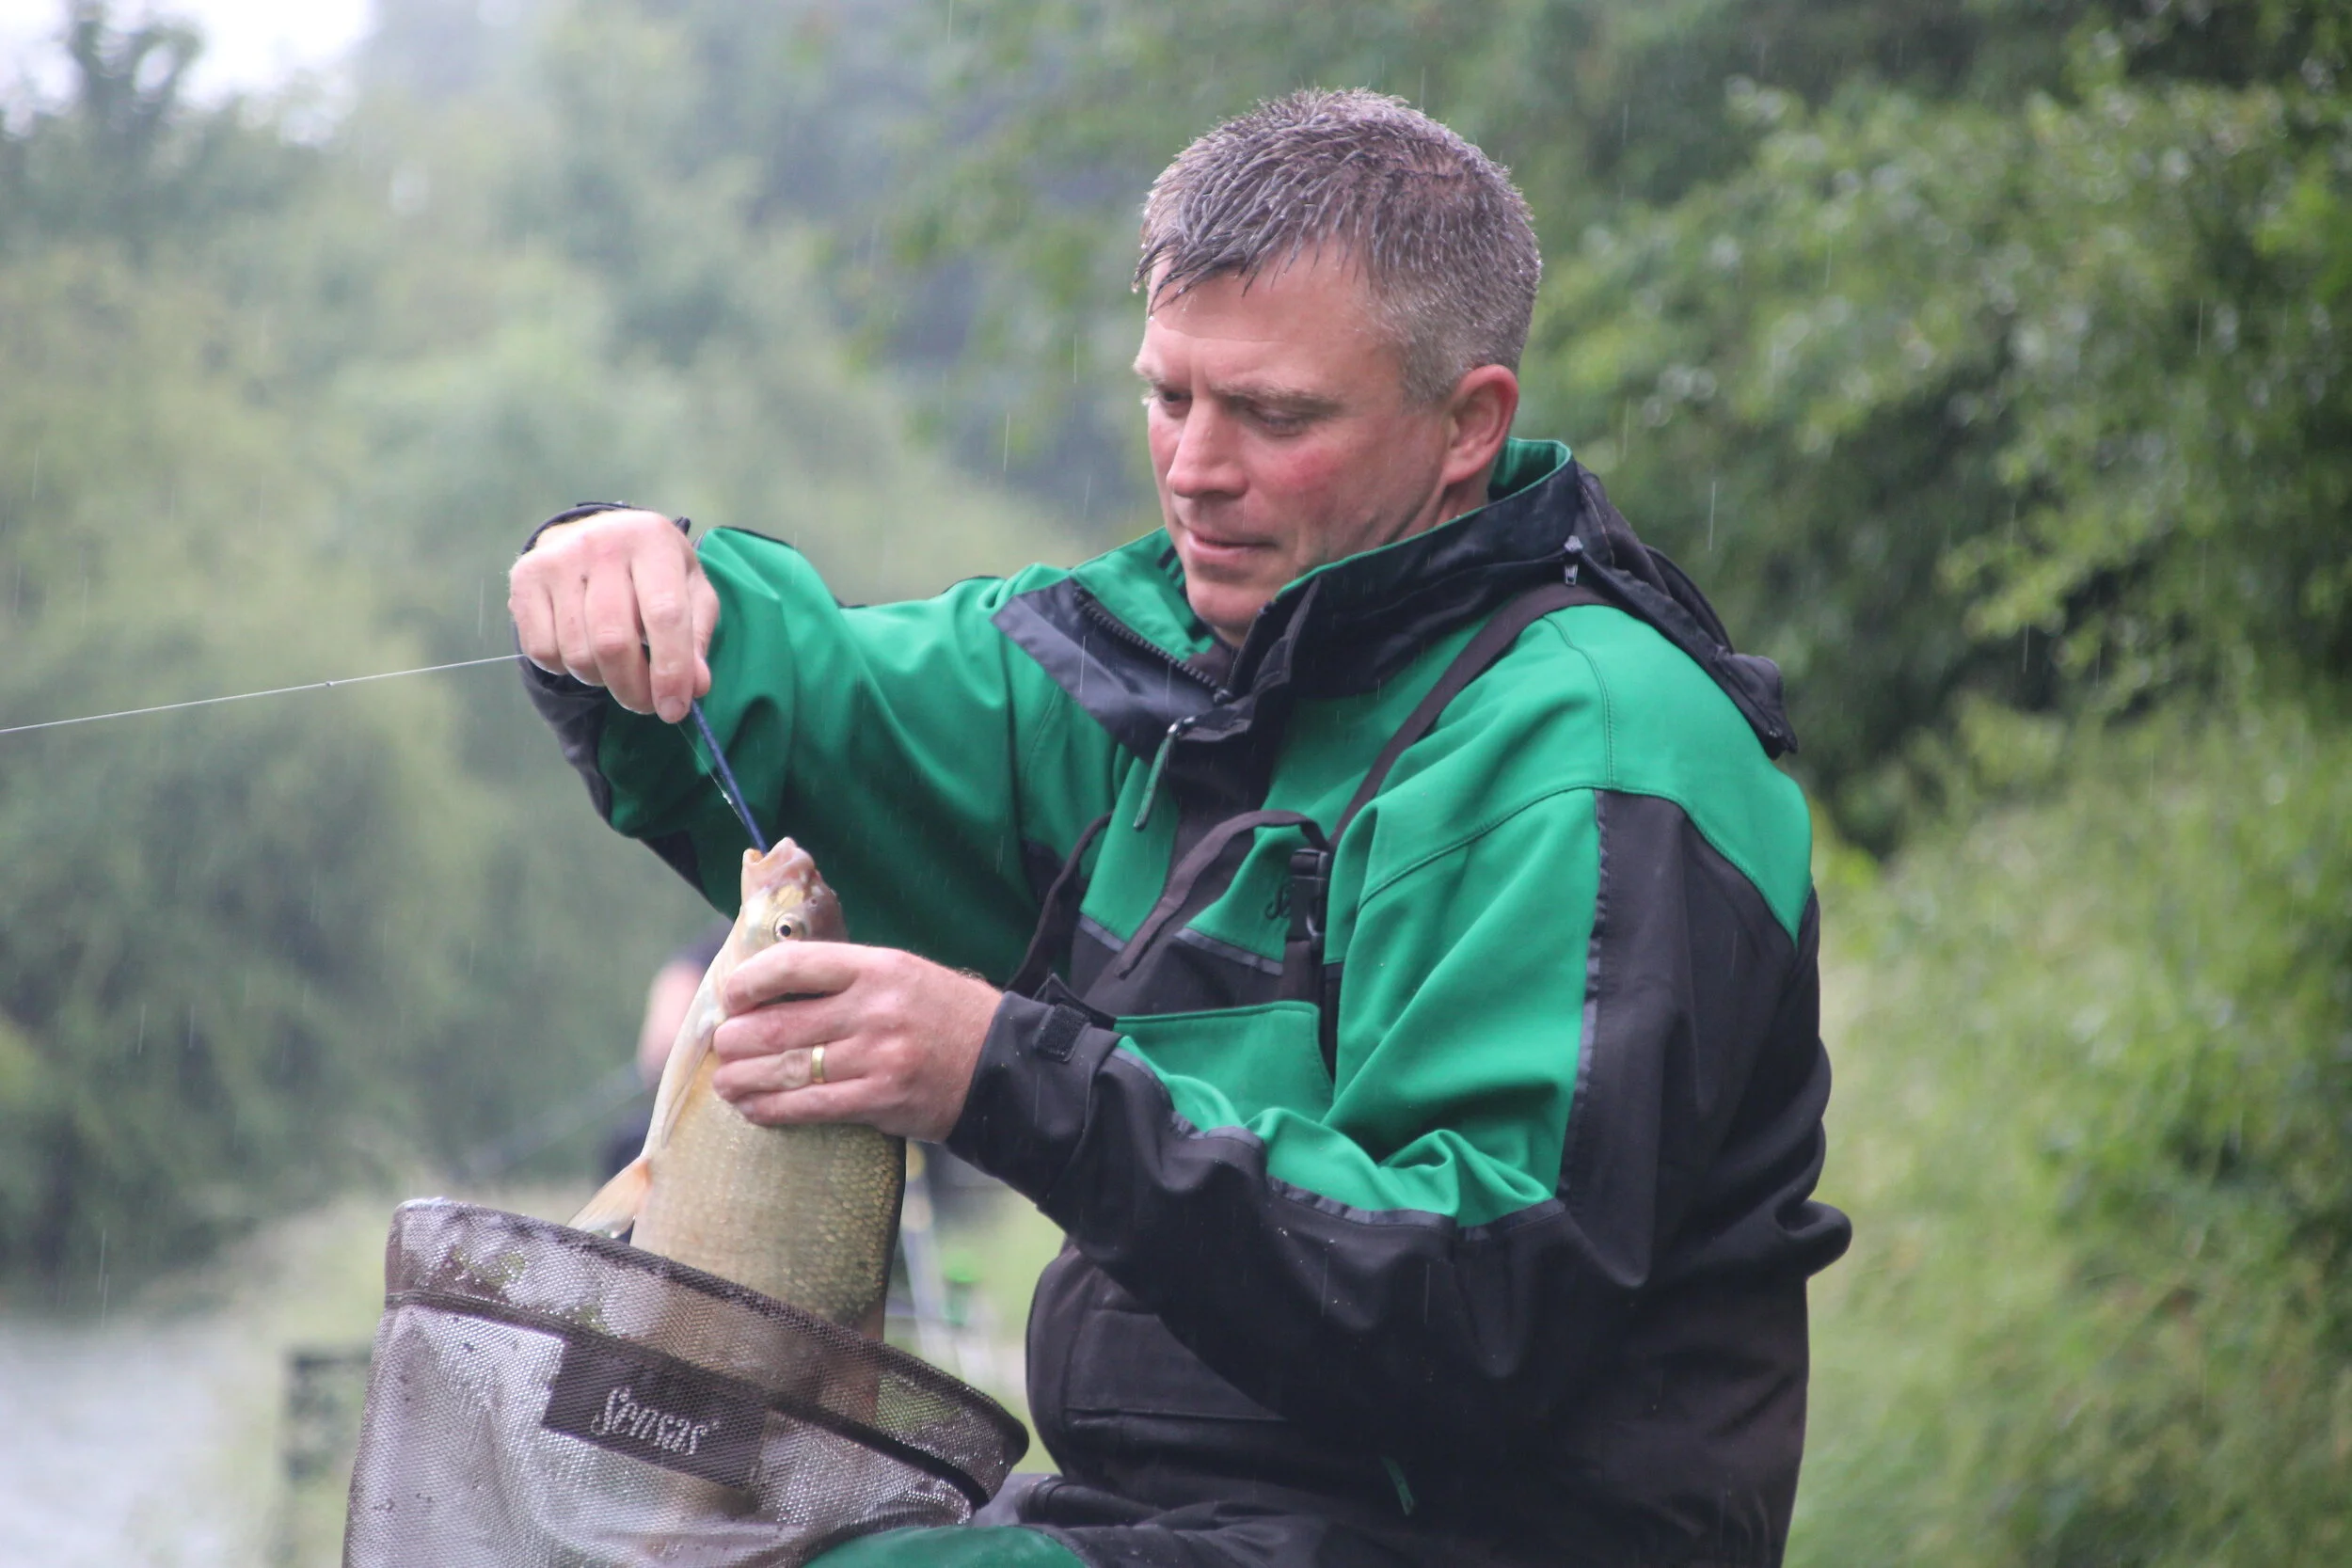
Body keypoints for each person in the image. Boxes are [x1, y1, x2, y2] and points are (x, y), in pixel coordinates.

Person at [510, 89, 1849, 1568]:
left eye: (1276, 416)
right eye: (1169, 397)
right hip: (1162, 1521)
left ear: (1468, 423)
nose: (1198, 469)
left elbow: (1481, 1306)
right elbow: (809, 709)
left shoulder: (1591, 746)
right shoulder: (1157, 669)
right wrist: (635, 576)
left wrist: (1003, 1072)